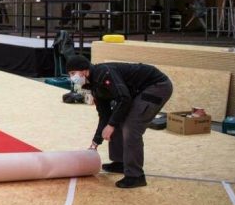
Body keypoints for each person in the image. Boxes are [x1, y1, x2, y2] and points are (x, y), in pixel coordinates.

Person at [65, 55, 173, 189]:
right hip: (136, 91)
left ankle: (136, 176)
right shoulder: (93, 85)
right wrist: (95, 143)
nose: (72, 77)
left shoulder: (104, 74)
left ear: (84, 71)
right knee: (116, 119)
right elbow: (104, 116)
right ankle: (120, 163)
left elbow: (124, 99)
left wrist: (111, 125)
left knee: (131, 127)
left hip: (157, 86)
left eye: (73, 73)